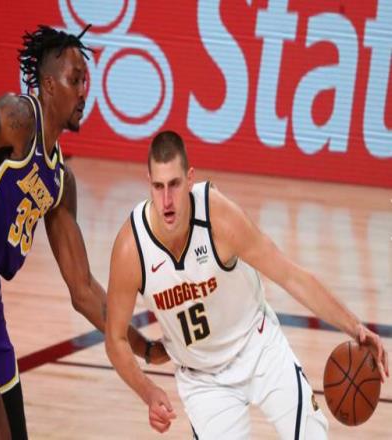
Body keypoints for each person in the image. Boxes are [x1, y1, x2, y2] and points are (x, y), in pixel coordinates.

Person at [0, 25, 164, 439]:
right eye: (75, 80)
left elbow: (83, 290)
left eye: (86, 81)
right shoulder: (19, 118)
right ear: (48, 85)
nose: (83, 92)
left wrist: (146, 348)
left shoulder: (60, 182)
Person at [105, 130, 389, 439]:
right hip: (203, 380)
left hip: (258, 347)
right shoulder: (132, 248)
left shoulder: (219, 218)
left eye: (174, 184)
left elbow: (290, 275)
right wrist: (148, 392)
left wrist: (355, 327)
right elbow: (115, 338)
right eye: (158, 186)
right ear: (148, 181)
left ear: (190, 179)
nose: (167, 200)